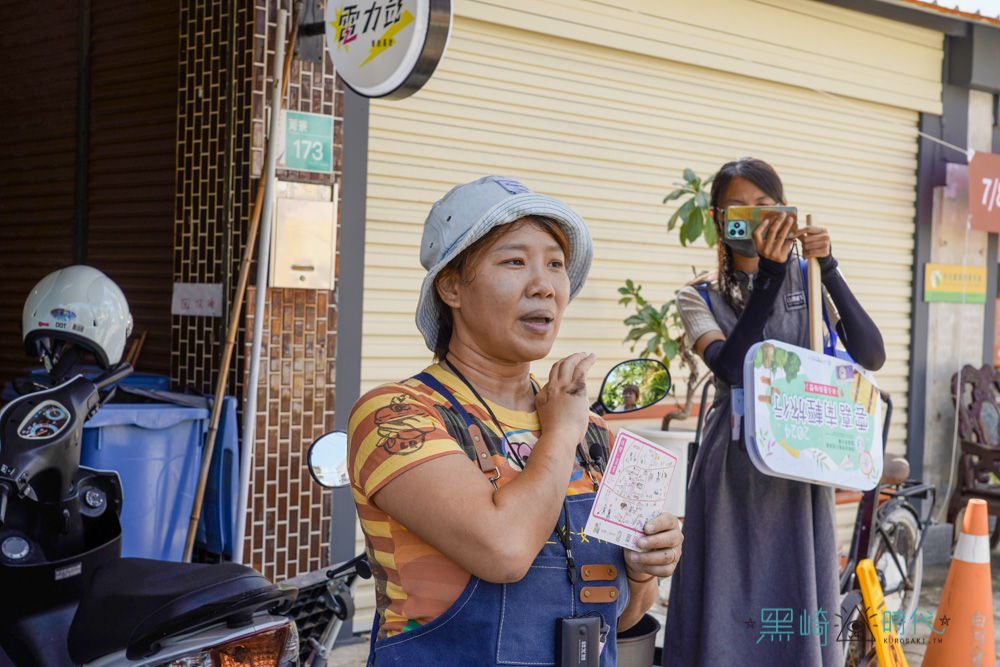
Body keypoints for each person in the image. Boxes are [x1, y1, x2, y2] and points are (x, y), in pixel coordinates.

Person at [348, 176, 684, 666]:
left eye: (555, 265)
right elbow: (503, 551)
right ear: (451, 286)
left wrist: (641, 567)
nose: (544, 286)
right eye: (514, 261)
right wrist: (562, 430)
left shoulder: (594, 435)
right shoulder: (396, 415)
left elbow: (627, 616)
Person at [662, 158, 885, 665]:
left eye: (767, 206)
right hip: (732, 467)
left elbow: (871, 355)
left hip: (801, 459)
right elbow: (731, 368)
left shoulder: (808, 279)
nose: (756, 218)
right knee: (728, 584)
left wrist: (827, 267)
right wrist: (768, 275)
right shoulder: (698, 295)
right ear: (719, 220)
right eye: (741, 208)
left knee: (797, 580)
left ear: (785, 211)